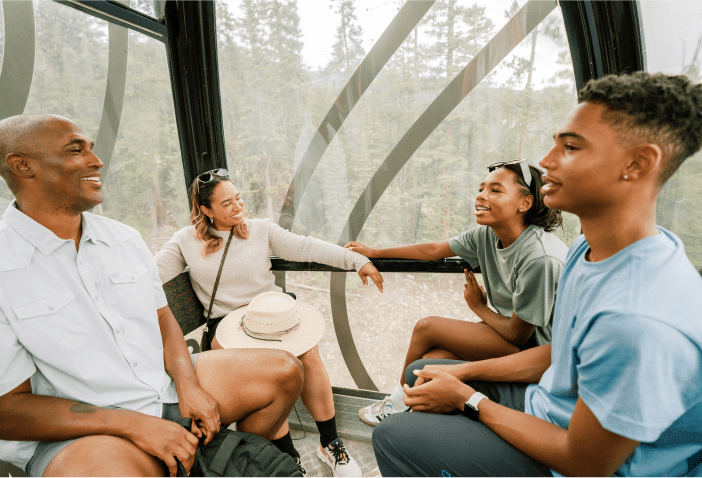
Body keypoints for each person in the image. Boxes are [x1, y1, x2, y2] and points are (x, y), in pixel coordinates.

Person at [371, 71, 702, 477]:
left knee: (393, 437)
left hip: (591, 463)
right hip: (554, 406)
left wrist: (470, 400)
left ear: (638, 163)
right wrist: (463, 373)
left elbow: (586, 463)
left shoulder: (637, 319)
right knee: (421, 374)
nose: (546, 161)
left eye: (571, 147)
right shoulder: (588, 250)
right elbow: (561, 355)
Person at [0, 114, 305, 477]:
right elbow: (8, 410)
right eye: (75, 150)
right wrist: (134, 424)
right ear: (22, 165)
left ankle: (218, 460)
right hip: (86, 431)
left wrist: (188, 385)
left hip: (162, 387)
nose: (96, 161)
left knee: (283, 370)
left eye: (92, 149)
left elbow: (163, 320)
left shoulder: (123, 238)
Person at [155, 171, 384, 478]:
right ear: (206, 210)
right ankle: (286, 454)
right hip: (229, 326)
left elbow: (306, 248)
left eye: (238, 198)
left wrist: (355, 261)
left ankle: (330, 444)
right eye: (226, 203)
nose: (238, 206)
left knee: (308, 355)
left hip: (274, 316)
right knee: (268, 376)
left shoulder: (260, 230)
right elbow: (149, 278)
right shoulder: (184, 241)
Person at [348, 162, 568, 426]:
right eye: (481, 188)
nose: (481, 195)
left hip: (536, 351)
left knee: (426, 328)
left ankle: (397, 404)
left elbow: (519, 335)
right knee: (430, 361)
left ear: (525, 203)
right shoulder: (487, 234)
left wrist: (479, 308)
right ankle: (411, 417)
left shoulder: (539, 257)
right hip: (511, 335)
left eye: (495, 190)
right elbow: (432, 250)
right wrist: (375, 252)